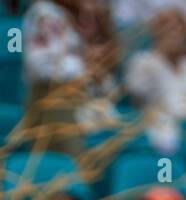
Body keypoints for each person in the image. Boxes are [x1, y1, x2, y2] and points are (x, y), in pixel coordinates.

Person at [23, 0, 121, 152]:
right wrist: (85, 66)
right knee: (71, 163)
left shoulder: (71, 13)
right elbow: (40, 66)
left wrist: (94, 69)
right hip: (52, 102)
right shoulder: (45, 11)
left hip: (78, 102)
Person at [123, 8, 186, 155]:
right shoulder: (143, 62)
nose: (175, 36)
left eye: (180, 30)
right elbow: (137, 92)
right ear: (157, 34)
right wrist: (159, 54)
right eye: (169, 30)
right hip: (162, 126)